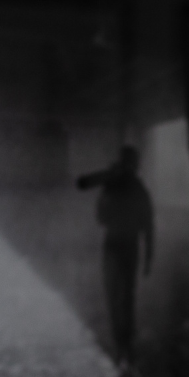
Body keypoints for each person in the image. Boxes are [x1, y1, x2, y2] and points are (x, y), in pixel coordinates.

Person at [76, 145, 153, 363]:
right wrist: (148, 257)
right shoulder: (138, 188)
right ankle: (125, 347)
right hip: (128, 246)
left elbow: (99, 214)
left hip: (114, 244)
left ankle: (122, 345)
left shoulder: (113, 185)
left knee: (114, 296)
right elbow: (148, 226)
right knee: (125, 297)